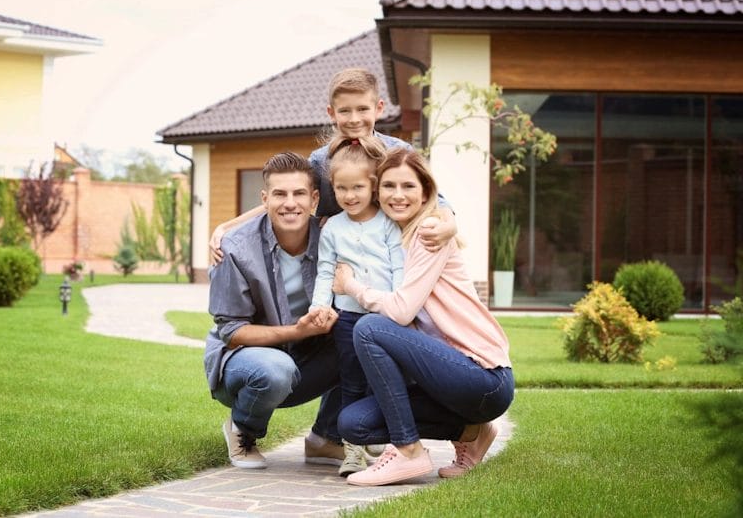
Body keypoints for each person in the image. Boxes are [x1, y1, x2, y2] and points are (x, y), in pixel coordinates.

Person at [332, 148, 515, 486]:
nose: (397, 195)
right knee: (353, 423)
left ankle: (408, 451)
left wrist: (352, 287)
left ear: (426, 192)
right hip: (448, 380)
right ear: (377, 191)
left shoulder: (429, 231)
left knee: (370, 327)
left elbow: (401, 312)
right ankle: (472, 431)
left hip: (484, 376)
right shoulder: (393, 236)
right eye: (388, 186)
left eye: (408, 186)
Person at [207, 67, 457, 265]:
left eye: (362, 109)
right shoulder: (320, 160)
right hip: (342, 258)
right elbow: (285, 195)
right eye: (345, 111)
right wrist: (227, 227)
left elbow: (436, 199)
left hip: (394, 254)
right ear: (331, 113)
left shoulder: (399, 153)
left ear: (378, 108)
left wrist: (450, 225)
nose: (354, 118)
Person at [204, 152, 344, 469]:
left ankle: (326, 437)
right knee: (275, 369)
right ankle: (242, 430)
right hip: (244, 366)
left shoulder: (332, 240)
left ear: (314, 199)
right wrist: (298, 331)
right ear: (265, 198)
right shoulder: (235, 248)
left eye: (299, 194)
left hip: (305, 357)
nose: (289, 203)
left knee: (365, 335)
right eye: (280, 194)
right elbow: (232, 332)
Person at [309, 132, 403, 476]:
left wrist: (400, 307)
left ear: (373, 186)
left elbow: (399, 270)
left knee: (382, 380)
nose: (349, 196)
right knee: (350, 381)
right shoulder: (332, 228)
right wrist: (320, 306)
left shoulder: (389, 224)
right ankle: (352, 451)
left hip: (383, 318)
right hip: (348, 317)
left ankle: (382, 442)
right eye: (341, 189)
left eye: (357, 188)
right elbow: (324, 271)